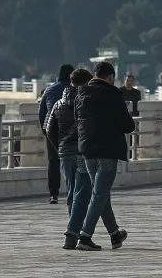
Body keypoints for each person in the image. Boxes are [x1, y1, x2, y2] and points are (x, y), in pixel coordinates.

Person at [47, 69, 127, 248]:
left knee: (78, 195)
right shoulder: (87, 99)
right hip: (85, 152)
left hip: (65, 154)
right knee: (85, 194)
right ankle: (74, 235)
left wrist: (60, 148)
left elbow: (49, 128)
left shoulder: (59, 103)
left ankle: (114, 233)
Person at [66, 61, 135, 251]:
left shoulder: (81, 94)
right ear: (111, 77)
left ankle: (114, 234)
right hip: (107, 150)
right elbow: (129, 125)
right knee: (99, 193)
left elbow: (77, 120)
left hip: (87, 150)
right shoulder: (113, 94)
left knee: (101, 193)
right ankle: (85, 237)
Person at [38, 63, 73, 205]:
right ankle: (72, 190)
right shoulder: (74, 89)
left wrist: (44, 129)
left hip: (51, 129)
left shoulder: (49, 90)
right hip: (70, 129)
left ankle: (54, 194)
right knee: (72, 160)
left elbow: (42, 113)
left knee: (53, 161)